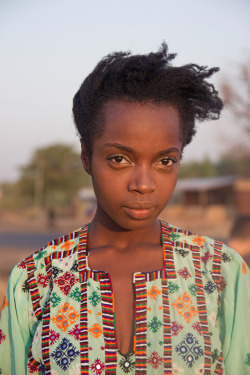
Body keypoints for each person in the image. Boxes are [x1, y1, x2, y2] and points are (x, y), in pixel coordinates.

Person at [0, 42, 249, 375]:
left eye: (165, 161)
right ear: (87, 158)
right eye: (119, 159)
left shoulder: (221, 272)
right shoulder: (34, 280)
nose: (144, 184)